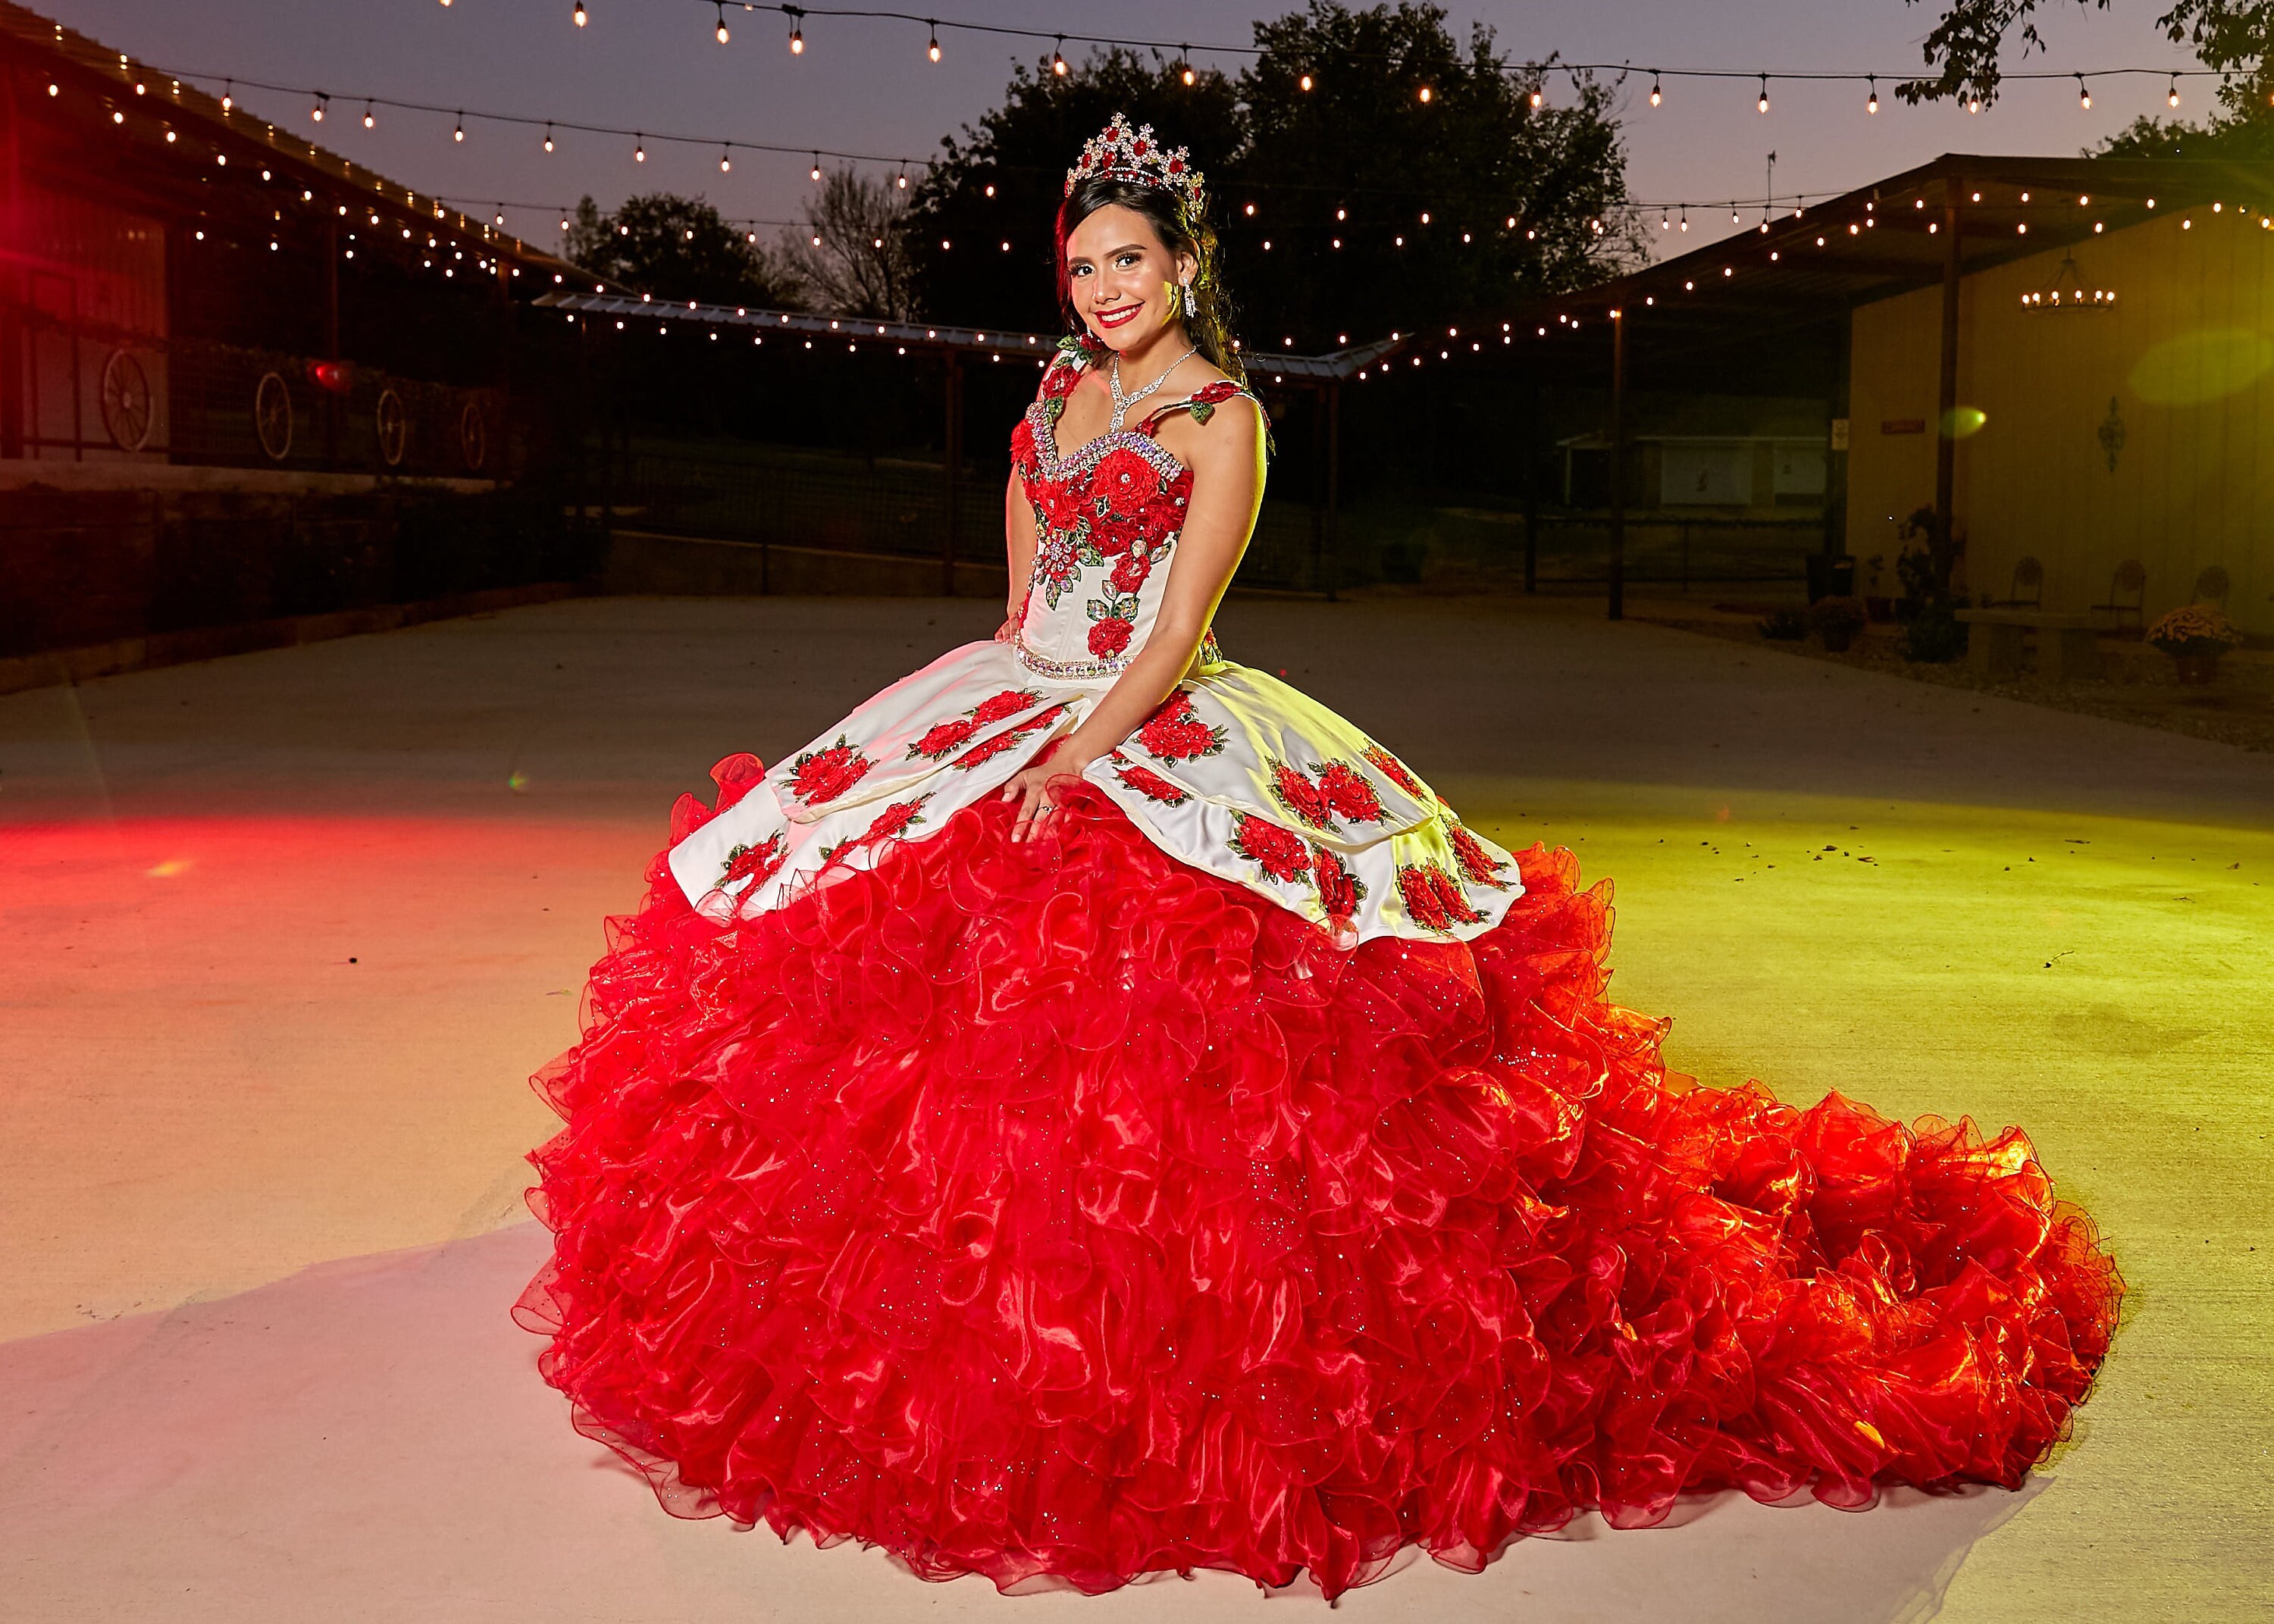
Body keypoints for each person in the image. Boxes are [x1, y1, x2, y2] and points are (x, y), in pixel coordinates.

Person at [515, 114, 2120, 1600]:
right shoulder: (1050, 401)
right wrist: (1002, 718)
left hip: (1151, 707)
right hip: (1027, 693)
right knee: (854, 942)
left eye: (1127, 260)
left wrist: (1081, 751)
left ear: (1185, 264)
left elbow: (1181, 623)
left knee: (1233, 1023)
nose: (1102, 288)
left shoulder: (1227, 416)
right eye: (1080, 264)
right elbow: (1022, 607)